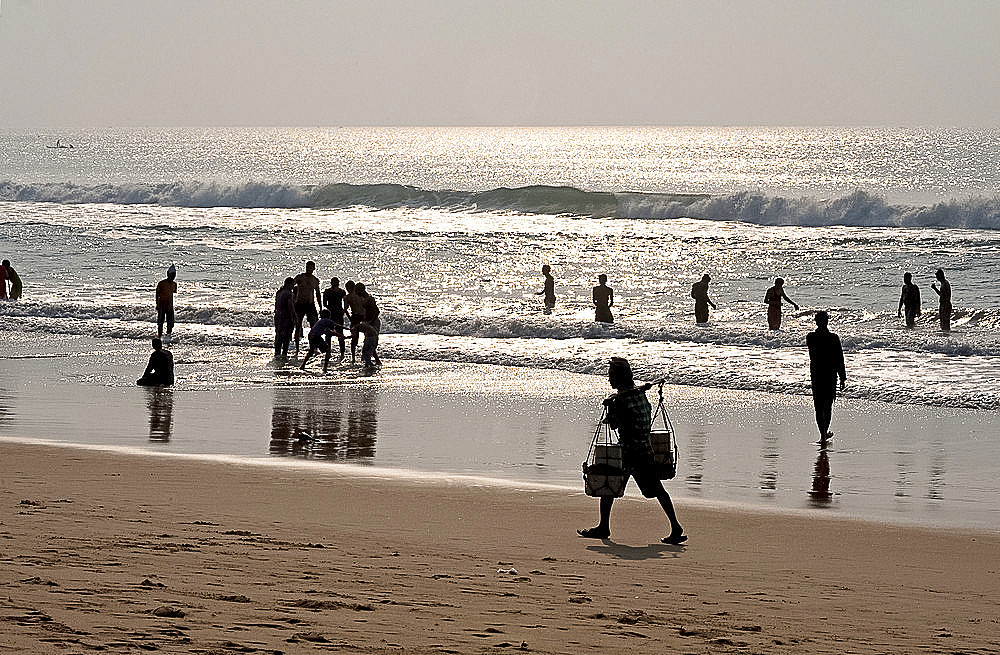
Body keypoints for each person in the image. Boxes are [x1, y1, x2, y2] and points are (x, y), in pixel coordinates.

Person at [577, 357, 686, 545]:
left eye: (611, 376)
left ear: (619, 378)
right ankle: (675, 527)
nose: (609, 379)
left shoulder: (621, 400)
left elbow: (615, 425)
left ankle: (604, 527)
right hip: (645, 449)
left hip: (629, 452)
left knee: (610, 481)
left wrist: (611, 411)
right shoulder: (640, 395)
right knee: (655, 490)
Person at [806, 311, 846, 444]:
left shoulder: (810, 337)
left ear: (816, 322)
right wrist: (843, 377)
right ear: (827, 321)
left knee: (818, 406)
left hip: (817, 373)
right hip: (830, 374)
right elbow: (839, 358)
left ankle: (822, 434)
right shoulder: (834, 338)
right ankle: (824, 433)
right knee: (827, 406)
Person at [293, 260, 322, 348]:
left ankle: (312, 346)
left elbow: (318, 294)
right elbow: (291, 285)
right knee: (298, 326)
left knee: (313, 326)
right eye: (307, 267)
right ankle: (297, 348)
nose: (308, 269)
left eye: (310, 268)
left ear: (313, 269)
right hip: (299, 304)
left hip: (310, 305)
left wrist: (320, 307)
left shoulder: (315, 280)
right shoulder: (300, 277)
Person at [323, 277, 348, 361]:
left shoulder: (329, 292)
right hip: (336, 314)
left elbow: (324, 304)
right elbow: (346, 304)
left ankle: (332, 352)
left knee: (332, 334)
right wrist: (344, 310)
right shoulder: (341, 292)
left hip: (333, 314)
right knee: (336, 333)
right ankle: (339, 353)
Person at [274, 277, 297, 363]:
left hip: (278, 315)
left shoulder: (279, 292)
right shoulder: (289, 294)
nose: (293, 286)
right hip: (286, 316)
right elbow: (290, 306)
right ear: (288, 284)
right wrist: (294, 316)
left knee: (279, 334)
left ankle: (277, 353)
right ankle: (284, 354)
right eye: (292, 284)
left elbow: (276, 305)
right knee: (286, 335)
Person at [343, 280, 366, 363]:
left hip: (355, 317)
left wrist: (350, 319)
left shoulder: (347, 297)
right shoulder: (360, 296)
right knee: (366, 335)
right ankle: (364, 356)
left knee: (354, 338)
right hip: (363, 316)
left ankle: (353, 358)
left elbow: (345, 310)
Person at [155, 264, 178, 339]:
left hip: (170, 305)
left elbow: (172, 293)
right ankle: (159, 336)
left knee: (170, 322)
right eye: (172, 274)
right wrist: (157, 304)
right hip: (161, 305)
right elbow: (157, 294)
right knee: (160, 322)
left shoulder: (174, 284)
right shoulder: (161, 283)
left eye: (174, 275)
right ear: (168, 274)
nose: (173, 276)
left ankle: (168, 336)